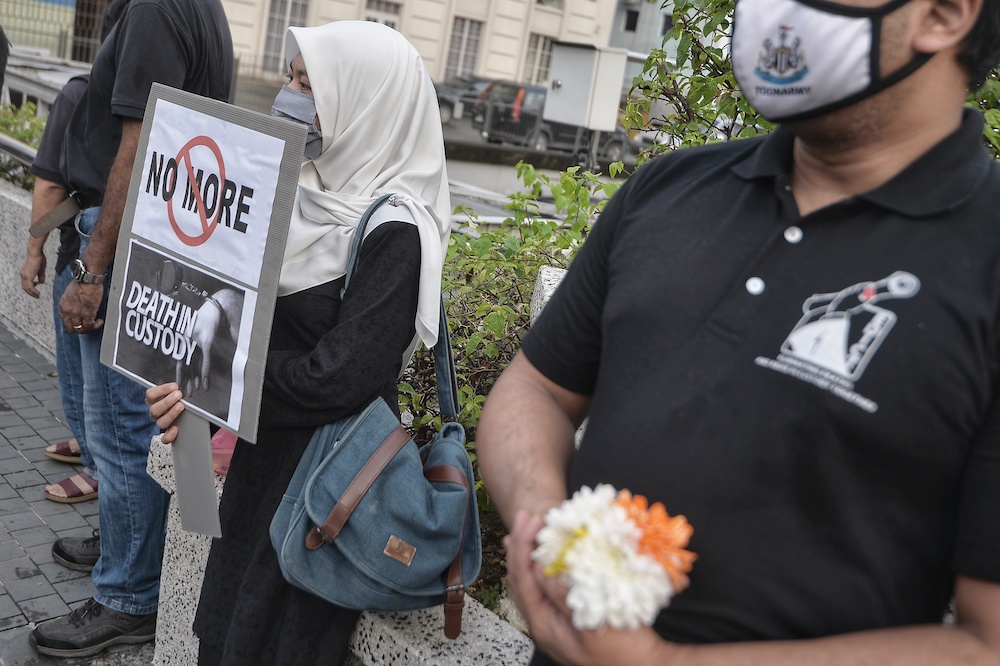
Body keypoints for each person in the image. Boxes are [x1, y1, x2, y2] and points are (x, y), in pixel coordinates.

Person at [476, 0, 1000, 662]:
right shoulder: (667, 190)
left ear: (946, 15)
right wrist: (549, 533)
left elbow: (987, 641)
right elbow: (537, 388)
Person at [146, 21, 451, 665]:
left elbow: (339, 377)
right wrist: (188, 372)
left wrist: (221, 381)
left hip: (322, 482)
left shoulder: (395, 230)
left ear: (366, 99)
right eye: (292, 78)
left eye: (310, 84)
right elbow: (234, 311)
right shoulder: (297, 189)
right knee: (227, 633)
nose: (292, 96)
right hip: (265, 461)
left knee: (274, 642)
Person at [29, 0, 233, 657]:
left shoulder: (154, 7)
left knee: (122, 436)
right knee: (120, 431)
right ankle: (122, 552)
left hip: (128, 249)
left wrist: (92, 269)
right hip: (155, 244)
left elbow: (139, 143)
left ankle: (127, 598)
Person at [20, 0, 132, 507]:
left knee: (80, 374)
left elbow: (50, 189)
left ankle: (91, 461)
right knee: (103, 381)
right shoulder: (143, 104)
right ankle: (88, 448)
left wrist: (32, 251)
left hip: (83, 255)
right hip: (127, 256)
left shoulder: (78, 94)